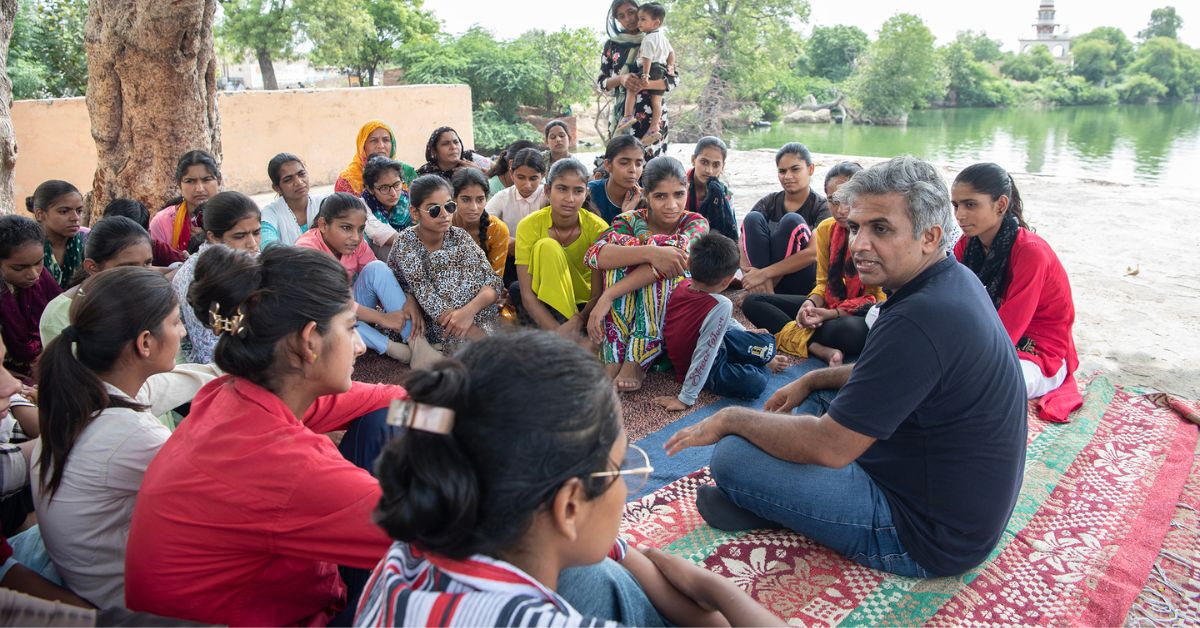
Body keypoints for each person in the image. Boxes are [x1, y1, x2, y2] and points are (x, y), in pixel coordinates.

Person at [665, 156, 1028, 579]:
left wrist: (730, 418)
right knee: (818, 391)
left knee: (732, 457)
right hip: (942, 497)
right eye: (856, 228)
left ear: (929, 237)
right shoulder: (951, 280)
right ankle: (790, 496)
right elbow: (880, 373)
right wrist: (814, 377)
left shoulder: (919, 318)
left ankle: (780, 504)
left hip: (922, 535)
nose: (858, 244)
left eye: (882, 229)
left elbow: (831, 447)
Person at [356, 331, 783, 627]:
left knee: (594, 571)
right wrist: (720, 590)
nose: (625, 483)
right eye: (620, 469)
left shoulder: (416, 548)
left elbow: (619, 554)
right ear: (570, 506)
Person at [125, 246, 407, 626]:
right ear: (309, 342)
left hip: (282, 596)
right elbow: (448, 537)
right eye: (351, 327)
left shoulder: (232, 394)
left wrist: (447, 416)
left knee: (384, 416)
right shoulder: (288, 466)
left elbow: (385, 398)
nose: (359, 346)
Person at [30, 267, 218, 609]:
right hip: (119, 599)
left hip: (85, 575)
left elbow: (188, 379)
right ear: (145, 342)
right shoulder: (132, 435)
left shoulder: (84, 391)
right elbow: (225, 500)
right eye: (176, 323)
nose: (183, 332)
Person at [951, 162, 1081, 422]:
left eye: (970, 204)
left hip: (1038, 350)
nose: (960, 215)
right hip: (985, 336)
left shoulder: (1031, 252)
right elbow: (952, 300)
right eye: (956, 205)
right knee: (879, 316)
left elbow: (1009, 330)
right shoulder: (966, 245)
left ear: (1000, 205)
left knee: (985, 387)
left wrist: (954, 359)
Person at [585, 156, 709, 392]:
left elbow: (675, 259)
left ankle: (636, 358)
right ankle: (615, 355)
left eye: (678, 194)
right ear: (647, 195)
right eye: (661, 196)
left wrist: (608, 294)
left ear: (687, 190)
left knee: (664, 268)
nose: (671, 205)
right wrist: (651, 252)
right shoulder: (628, 220)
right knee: (631, 259)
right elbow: (595, 255)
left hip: (673, 310)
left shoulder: (695, 223)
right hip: (629, 310)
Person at [744, 162, 882, 364]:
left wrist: (830, 314)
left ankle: (802, 337)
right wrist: (810, 304)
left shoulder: (873, 233)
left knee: (849, 331)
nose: (841, 209)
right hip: (829, 303)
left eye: (848, 200)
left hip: (863, 311)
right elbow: (823, 284)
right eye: (833, 201)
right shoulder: (827, 229)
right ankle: (817, 347)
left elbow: (874, 297)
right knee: (754, 302)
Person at [296, 192, 436, 365]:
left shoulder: (357, 244)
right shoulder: (307, 250)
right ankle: (394, 349)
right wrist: (382, 318)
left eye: (361, 229)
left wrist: (409, 298)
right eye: (346, 228)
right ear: (324, 225)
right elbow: (331, 302)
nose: (356, 237)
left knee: (376, 268)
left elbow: (381, 277)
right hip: (318, 317)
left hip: (350, 309)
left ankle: (417, 344)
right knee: (332, 318)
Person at [656, 233, 786, 411]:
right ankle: (758, 359)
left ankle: (759, 356)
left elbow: (723, 323)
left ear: (689, 264)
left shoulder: (683, 284)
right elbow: (705, 352)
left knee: (765, 341)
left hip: (712, 342)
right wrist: (685, 398)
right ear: (727, 281)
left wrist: (746, 332)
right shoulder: (721, 304)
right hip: (702, 365)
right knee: (757, 382)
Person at [388, 175, 503, 350]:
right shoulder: (406, 242)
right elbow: (428, 297)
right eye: (434, 210)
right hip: (437, 321)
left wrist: (468, 312)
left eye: (449, 207)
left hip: (472, 317)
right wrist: (479, 338)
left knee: (471, 276)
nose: (444, 215)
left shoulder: (459, 235)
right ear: (414, 212)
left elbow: (493, 281)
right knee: (440, 265)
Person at [511, 159, 609, 339]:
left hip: (583, 306)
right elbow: (527, 295)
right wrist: (560, 333)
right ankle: (562, 339)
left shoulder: (598, 228)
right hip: (544, 302)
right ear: (548, 191)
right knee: (545, 248)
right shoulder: (529, 225)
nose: (570, 198)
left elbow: (597, 293)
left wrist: (578, 319)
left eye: (578, 191)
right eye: (562, 189)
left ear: (586, 193)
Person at [170, 191, 262, 364]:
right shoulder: (195, 276)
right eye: (240, 236)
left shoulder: (252, 256)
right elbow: (208, 350)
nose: (252, 243)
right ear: (213, 237)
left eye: (256, 232)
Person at [39, 216, 156, 346]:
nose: (141, 274)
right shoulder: (60, 314)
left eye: (147, 263)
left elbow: (173, 360)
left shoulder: (153, 299)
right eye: (128, 267)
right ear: (92, 267)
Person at [741, 143, 829, 296]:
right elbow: (743, 238)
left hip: (801, 279)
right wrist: (749, 274)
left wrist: (764, 275)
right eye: (782, 171)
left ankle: (764, 292)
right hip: (763, 277)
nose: (787, 176)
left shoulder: (822, 207)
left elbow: (813, 253)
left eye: (795, 169)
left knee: (792, 222)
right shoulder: (769, 202)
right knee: (752, 218)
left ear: (810, 169)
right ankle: (762, 290)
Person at [598, 0, 677, 158]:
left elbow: (674, 80)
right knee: (622, 163)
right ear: (617, 20)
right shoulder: (612, 45)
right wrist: (622, 79)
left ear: (640, 10)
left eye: (631, 12)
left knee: (653, 169)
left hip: (653, 117)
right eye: (621, 16)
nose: (628, 18)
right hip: (623, 116)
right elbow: (602, 83)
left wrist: (643, 85)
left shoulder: (655, 38)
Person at [0, 216, 62, 378]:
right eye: (19, 268)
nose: (33, 274)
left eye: (38, 263)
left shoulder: (43, 278)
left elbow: (62, 314)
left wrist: (49, 355)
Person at [616, 2, 674, 145]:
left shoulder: (647, 39)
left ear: (655, 23)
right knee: (656, 102)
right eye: (621, 16)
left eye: (642, 18)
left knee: (632, 89)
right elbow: (672, 53)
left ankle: (628, 116)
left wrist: (646, 76)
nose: (636, 21)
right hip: (661, 70)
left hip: (650, 70)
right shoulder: (662, 37)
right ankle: (654, 128)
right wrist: (670, 65)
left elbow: (647, 59)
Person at [149, 150, 221, 256]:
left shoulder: (235, 215)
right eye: (190, 181)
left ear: (219, 181)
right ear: (179, 184)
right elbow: (154, 266)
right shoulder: (162, 222)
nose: (199, 189)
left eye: (206, 179)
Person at [27, 181, 88, 288]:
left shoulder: (86, 243)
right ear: (40, 214)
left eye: (79, 211)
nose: (75, 218)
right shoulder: (25, 247)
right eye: (64, 211)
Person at [450, 168, 508, 275]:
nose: (474, 207)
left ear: (486, 199)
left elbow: (495, 279)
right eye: (466, 199)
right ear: (454, 198)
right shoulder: (442, 225)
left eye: (480, 199)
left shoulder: (497, 229)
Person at [334, 120, 416, 196]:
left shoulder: (406, 172)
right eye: (374, 141)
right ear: (363, 146)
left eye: (386, 140)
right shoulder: (348, 180)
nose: (381, 146)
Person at [261, 152, 324, 247]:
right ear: (277, 188)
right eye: (288, 179)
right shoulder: (271, 213)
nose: (299, 182)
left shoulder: (324, 203)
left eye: (301, 174)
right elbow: (267, 244)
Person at [361, 155, 418, 258]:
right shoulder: (362, 205)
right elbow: (379, 233)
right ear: (370, 189)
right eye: (384, 188)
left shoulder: (408, 201)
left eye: (397, 185)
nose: (393, 193)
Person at [102, 198, 186, 266]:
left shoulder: (158, 250)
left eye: (147, 263)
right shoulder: (97, 249)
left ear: (148, 234)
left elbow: (187, 265)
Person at [685, 137, 737, 241]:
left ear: (722, 166)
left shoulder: (725, 194)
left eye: (716, 165)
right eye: (704, 162)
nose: (709, 170)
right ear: (693, 160)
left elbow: (730, 226)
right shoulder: (679, 186)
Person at [587, 135, 646, 225]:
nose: (633, 170)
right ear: (607, 165)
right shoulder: (589, 193)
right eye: (624, 163)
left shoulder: (644, 201)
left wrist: (628, 214)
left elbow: (645, 237)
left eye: (638, 164)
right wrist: (624, 216)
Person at [416, 126, 491, 179]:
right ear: (434, 150)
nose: (453, 147)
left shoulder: (471, 158)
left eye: (456, 142)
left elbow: (499, 171)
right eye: (445, 144)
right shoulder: (425, 174)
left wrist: (478, 172)